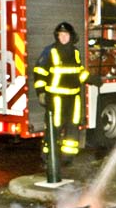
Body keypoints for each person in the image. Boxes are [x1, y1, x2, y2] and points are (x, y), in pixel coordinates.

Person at [33, 22, 89, 165]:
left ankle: (67, 159)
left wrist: (91, 78)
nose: (63, 37)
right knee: (54, 127)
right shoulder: (49, 51)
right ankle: (48, 158)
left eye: (66, 35)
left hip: (74, 98)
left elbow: (78, 72)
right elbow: (39, 72)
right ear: (57, 36)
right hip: (56, 98)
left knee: (73, 127)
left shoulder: (75, 52)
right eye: (60, 35)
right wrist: (41, 92)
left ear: (71, 36)